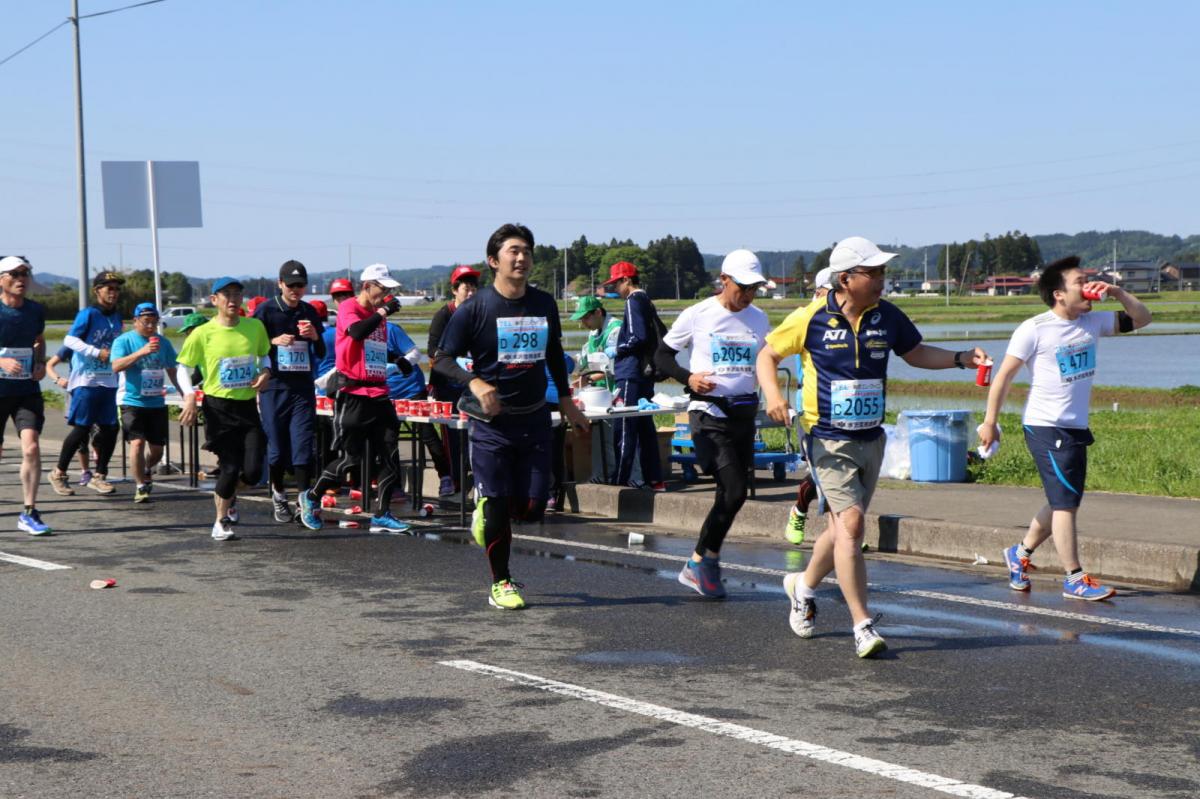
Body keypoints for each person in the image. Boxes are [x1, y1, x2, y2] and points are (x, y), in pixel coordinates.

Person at [757, 236, 988, 658]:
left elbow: (915, 352)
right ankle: (862, 624)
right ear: (846, 279)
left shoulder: (886, 316)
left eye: (883, 271)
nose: (883, 279)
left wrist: (959, 359)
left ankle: (803, 587)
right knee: (852, 526)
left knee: (843, 527)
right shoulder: (810, 318)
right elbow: (766, 356)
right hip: (826, 438)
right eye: (874, 272)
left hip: (871, 437)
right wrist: (774, 397)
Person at [432, 224, 590, 610]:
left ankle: (485, 515)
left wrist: (567, 399)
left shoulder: (543, 303)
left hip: (534, 418)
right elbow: (440, 359)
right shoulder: (476, 308)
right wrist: (475, 383)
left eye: (527, 252)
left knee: (534, 507)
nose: (522, 258)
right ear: (493, 261)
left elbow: (553, 353)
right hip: (491, 425)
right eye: (513, 251)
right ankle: (501, 582)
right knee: (501, 506)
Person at [980, 256, 1151, 601]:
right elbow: (1004, 377)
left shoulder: (1093, 321)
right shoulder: (1035, 328)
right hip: (1045, 425)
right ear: (1059, 294)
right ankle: (1074, 577)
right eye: (1080, 282)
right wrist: (990, 422)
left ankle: (1020, 553)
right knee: (1065, 504)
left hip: (1075, 426)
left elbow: (1143, 318)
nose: (1089, 286)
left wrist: (1117, 291)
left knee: (1063, 499)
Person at [654, 250, 771, 598]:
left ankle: (700, 562)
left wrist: (777, 398)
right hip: (709, 414)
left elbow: (767, 361)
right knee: (734, 489)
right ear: (724, 280)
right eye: (743, 286)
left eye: (755, 288)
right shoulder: (699, 314)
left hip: (744, 414)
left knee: (730, 495)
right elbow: (661, 355)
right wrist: (689, 378)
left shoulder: (759, 318)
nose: (748, 294)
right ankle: (703, 563)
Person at [303, 264, 413, 534]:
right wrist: (383, 311)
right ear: (367, 286)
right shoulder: (349, 308)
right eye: (383, 289)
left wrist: (396, 360)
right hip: (352, 393)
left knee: (389, 455)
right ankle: (312, 496)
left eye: (390, 290)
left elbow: (371, 349)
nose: (386, 294)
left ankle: (382, 513)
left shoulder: (380, 317)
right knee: (350, 459)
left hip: (379, 392)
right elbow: (356, 333)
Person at [176, 277, 271, 541]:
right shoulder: (203, 333)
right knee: (229, 468)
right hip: (218, 408)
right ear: (214, 300)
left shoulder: (255, 327)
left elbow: (264, 354)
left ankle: (229, 495)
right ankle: (221, 522)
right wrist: (189, 397)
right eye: (226, 294)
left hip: (247, 407)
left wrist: (266, 371)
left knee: (252, 472)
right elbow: (184, 367)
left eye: (237, 294)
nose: (232, 299)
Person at [253, 260, 326, 528]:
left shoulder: (308, 311)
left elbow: (321, 353)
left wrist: (315, 335)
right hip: (274, 387)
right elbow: (251, 347)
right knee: (278, 449)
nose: (296, 290)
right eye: (291, 285)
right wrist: (273, 342)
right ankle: (279, 494)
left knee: (303, 445)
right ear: (280, 284)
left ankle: (304, 501)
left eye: (301, 285)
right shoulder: (266, 310)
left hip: (302, 388)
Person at [50, 271, 125, 497]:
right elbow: (69, 340)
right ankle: (59, 472)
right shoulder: (89, 314)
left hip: (108, 379)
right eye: (108, 288)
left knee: (111, 428)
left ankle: (100, 476)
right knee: (82, 428)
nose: (113, 292)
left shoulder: (118, 317)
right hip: (86, 380)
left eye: (116, 288)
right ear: (97, 290)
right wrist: (95, 352)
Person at [111, 303, 184, 503]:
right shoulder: (124, 341)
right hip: (131, 401)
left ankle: (145, 469)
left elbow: (172, 369)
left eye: (154, 322)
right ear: (135, 321)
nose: (151, 326)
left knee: (157, 450)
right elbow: (116, 366)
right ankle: (140, 485)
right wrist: (141, 352)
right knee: (137, 443)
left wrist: (185, 394)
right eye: (146, 322)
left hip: (156, 402)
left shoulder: (164, 343)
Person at [602, 261, 665, 491]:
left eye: (616, 283)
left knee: (625, 426)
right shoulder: (646, 300)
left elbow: (637, 336)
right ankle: (655, 479)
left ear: (627, 280)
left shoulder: (633, 300)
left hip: (630, 372)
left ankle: (620, 480)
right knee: (645, 428)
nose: (616, 289)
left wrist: (617, 349)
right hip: (645, 372)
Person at [0, 256, 51, 534]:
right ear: (1, 279)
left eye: (26, 273)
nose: (21, 278)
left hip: (25, 390)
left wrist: (41, 363)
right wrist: (0, 361)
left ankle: (29, 512)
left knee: (31, 447)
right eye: (15, 273)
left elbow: (39, 340)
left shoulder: (34, 310)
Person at [383, 319, 454, 496]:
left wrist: (397, 366)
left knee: (426, 432)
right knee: (389, 438)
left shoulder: (391, 329)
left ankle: (445, 477)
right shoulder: (361, 332)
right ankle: (395, 485)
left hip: (411, 388)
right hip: (387, 392)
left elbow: (415, 354)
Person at [427, 265, 479, 490]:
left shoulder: (479, 313)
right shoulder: (444, 314)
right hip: (446, 382)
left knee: (476, 430)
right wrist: (457, 362)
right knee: (451, 432)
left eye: (473, 288)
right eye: (466, 288)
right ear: (454, 290)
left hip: (473, 381)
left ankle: (477, 479)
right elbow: (432, 352)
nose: (470, 293)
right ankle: (453, 479)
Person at [45, 344, 93, 486]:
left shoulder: (106, 344)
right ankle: (85, 471)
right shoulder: (73, 344)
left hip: (101, 392)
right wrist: (58, 379)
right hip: (77, 394)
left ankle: (100, 474)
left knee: (100, 434)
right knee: (81, 435)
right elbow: (50, 365)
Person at [543, 351, 576, 511]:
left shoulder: (533, 354)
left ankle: (547, 494)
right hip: (560, 403)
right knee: (556, 449)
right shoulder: (562, 356)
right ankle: (554, 494)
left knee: (542, 449)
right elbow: (572, 366)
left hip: (542, 402)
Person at [572, 295, 621, 390]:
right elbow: (584, 359)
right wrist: (567, 361)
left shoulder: (616, 329)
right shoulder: (593, 332)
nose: (583, 323)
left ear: (598, 312)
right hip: (600, 389)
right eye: (581, 320)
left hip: (616, 389)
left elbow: (614, 366)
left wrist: (589, 379)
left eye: (586, 318)